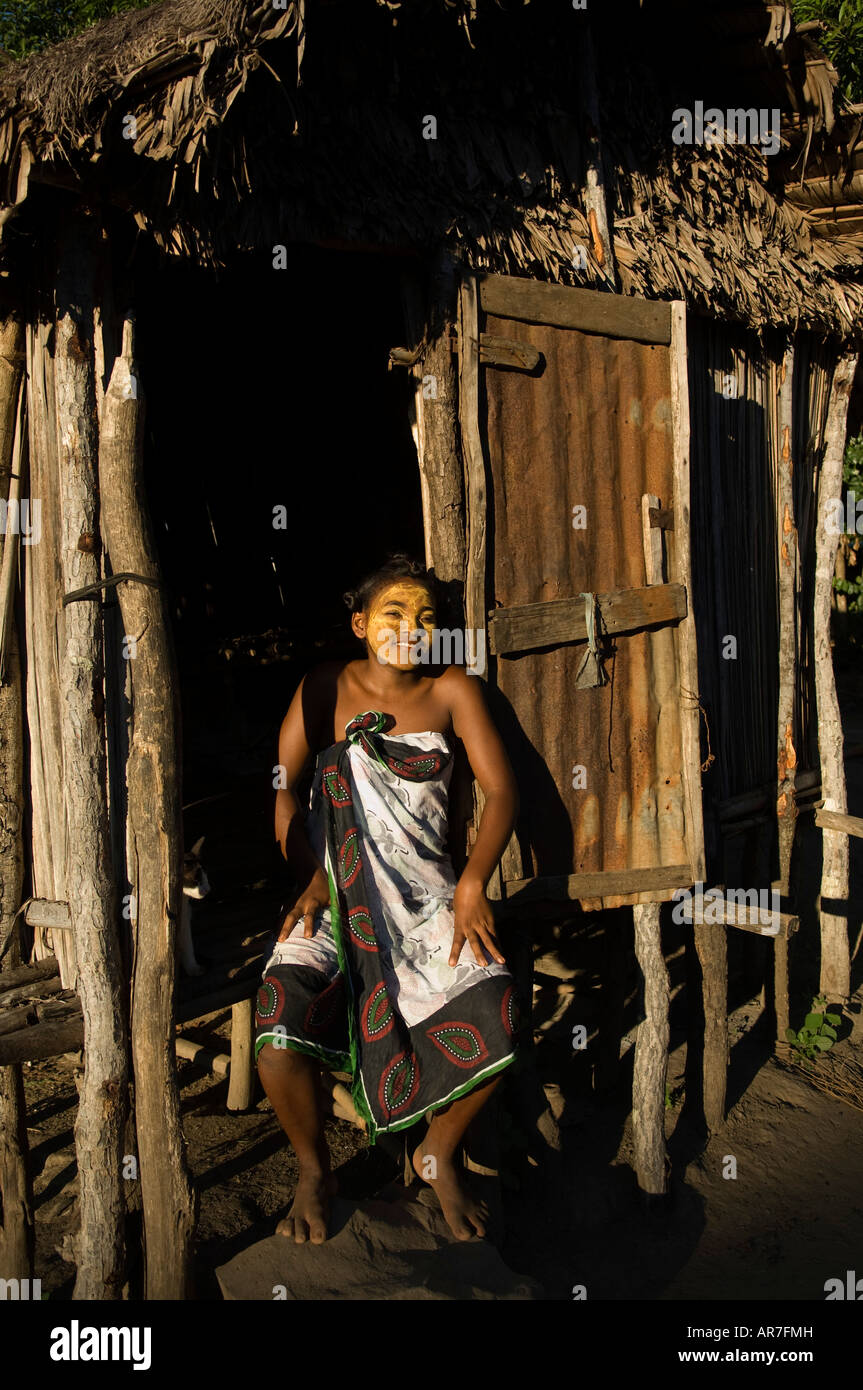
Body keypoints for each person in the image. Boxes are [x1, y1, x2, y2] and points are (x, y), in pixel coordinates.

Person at [255, 553, 520, 1245]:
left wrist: (471, 884)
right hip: (330, 894)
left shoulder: (452, 690)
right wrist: (308, 873)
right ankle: (315, 1170)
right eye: (394, 613)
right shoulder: (321, 687)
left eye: (426, 617)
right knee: (278, 1029)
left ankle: (438, 1153)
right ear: (359, 623)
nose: (411, 627)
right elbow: (283, 783)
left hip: (429, 897)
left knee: (498, 1007)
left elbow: (502, 793)